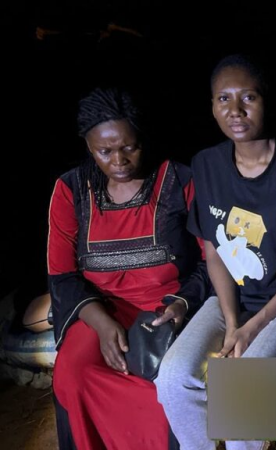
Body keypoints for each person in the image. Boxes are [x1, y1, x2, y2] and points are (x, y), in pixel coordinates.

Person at [154, 54, 276, 450]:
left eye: (248, 97)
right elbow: (213, 248)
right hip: (232, 297)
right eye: (224, 99)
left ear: (266, 101)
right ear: (212, 106)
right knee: (173, 378)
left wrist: (254, 326)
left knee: (242, 386)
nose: (235, 110)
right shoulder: (207, 164)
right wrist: (233, 319)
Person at [49, 87, 207, 450]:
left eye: (129, 147)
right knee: (74, 374)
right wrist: (102, 323)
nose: (119, 160)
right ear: (89, 147)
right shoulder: (71, 190)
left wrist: (182, 303)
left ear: (142, 139)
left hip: (169, 309)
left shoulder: (178, 180)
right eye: (105, 152)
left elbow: (208, 260)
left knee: (170, 389)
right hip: (101, 310)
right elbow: (61, 275)